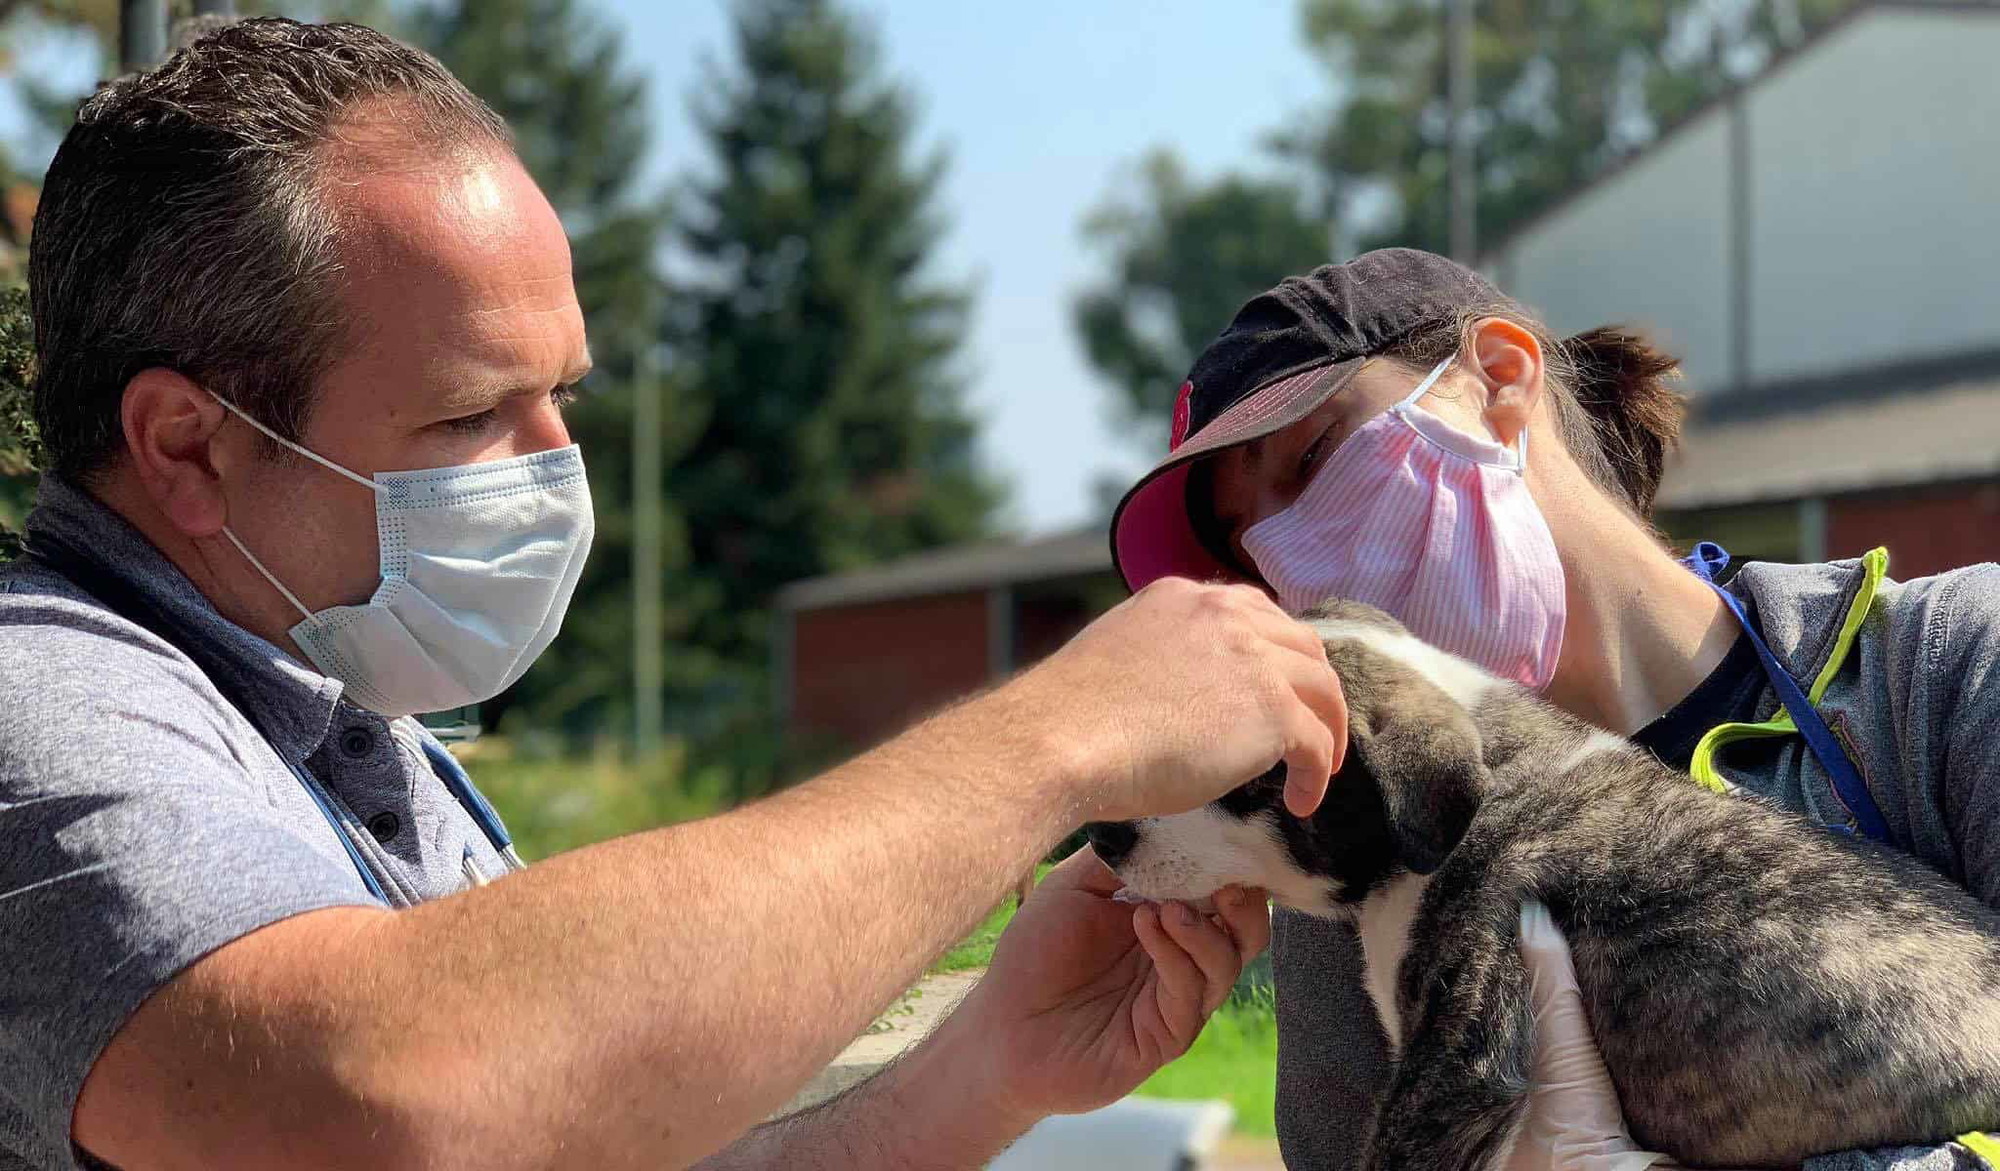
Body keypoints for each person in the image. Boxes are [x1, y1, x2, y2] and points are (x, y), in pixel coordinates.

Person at [0, 20, 1352, 1171]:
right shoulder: (45, 703)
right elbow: (385, 1098)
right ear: (187, 445)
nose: (557, 470)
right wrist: (1054, 740)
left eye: (563, 395)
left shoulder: (343, 720)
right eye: (470, 414)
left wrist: (987, 1068)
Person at [1108, 247, 2000, 1171]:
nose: (1288, 558)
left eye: (1312, 455)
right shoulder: (1367, 836)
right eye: (1248, 550)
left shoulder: (1945, 666)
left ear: (1501, 379)